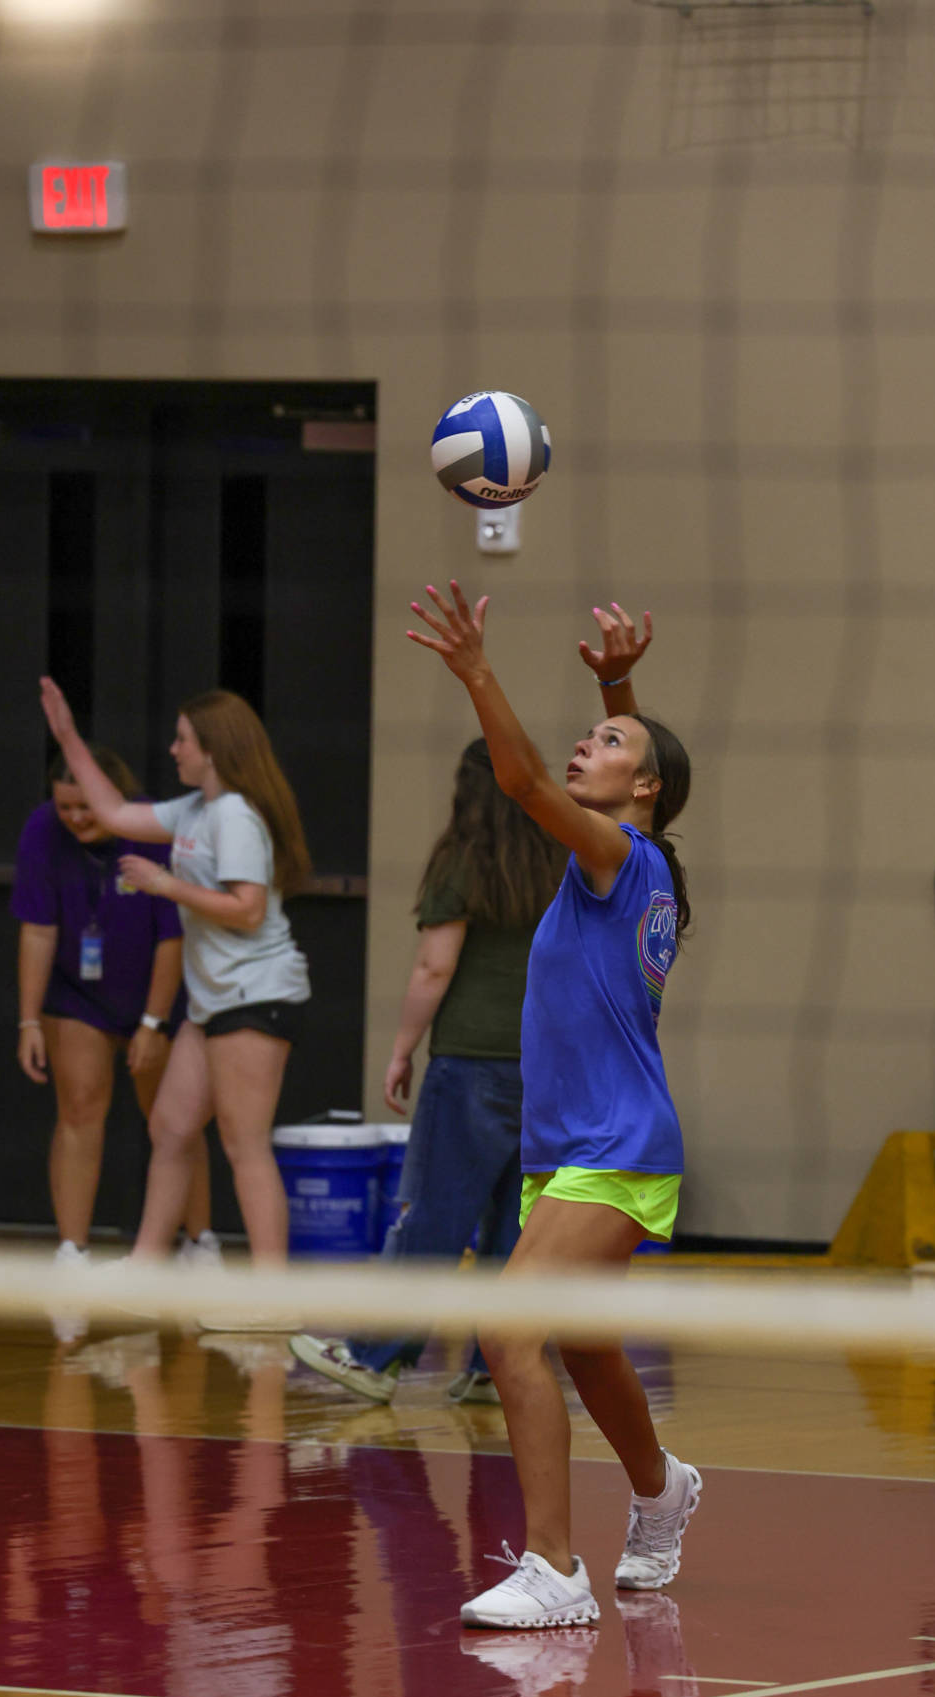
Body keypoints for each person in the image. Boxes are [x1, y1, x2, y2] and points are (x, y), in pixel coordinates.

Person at [406, 584, 701, 1630]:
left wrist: (475, 669)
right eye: (590, 733)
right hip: (571, 1145)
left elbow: (523, 779)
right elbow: (628, 772)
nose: (586, 743)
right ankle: (662, 1486)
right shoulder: (626, 861)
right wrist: (619, 687)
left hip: (617, 1144)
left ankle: (555, 1567)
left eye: (606, 740)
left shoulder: (621, 857)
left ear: (645, 786)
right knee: (583, 1344)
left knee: (506, 1327)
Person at [289, 737, 566, 1407]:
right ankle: (496, 1366)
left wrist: (401, 1050)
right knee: (517, 1228)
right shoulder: (566, 857)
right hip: (548, 1070)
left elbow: (433, 967)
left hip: (470, 1066)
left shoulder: (465, 859)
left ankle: (372, 1357)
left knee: (434, 1217)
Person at [38, 680, 311, 1271]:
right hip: (213, 1000)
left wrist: (165, 885)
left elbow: (248, 909)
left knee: (244, 1145)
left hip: (256, 994)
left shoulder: (235, 816)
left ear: (211, 749)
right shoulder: (194, 810)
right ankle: (145, 1271)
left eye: (182, 739)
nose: (173, 749)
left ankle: (273, 1296)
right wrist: (67, 737)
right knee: (170, 1126)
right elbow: (114, 812)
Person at [12, 747, 213, 1268]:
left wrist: (153, 1022)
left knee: (174, 1120)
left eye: (86, 806)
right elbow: (37, 929)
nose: (76, 817)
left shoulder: (153, 828)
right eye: (65, 807)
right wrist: (29, 1019)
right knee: (79, 1108)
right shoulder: (42, 830)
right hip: (77, 994)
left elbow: (172, 936)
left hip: (156, 993)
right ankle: (72, 1252)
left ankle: (200, 1245)